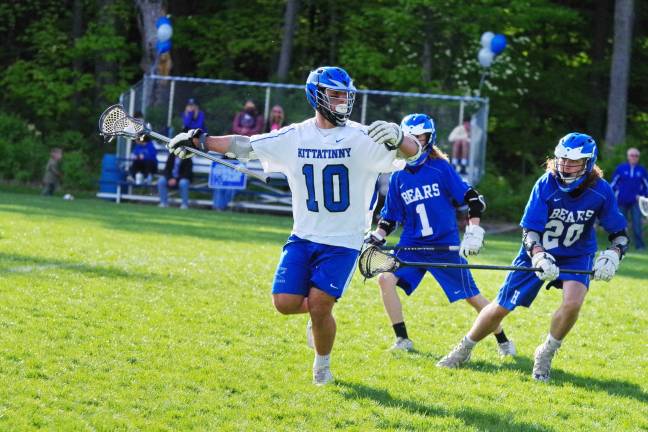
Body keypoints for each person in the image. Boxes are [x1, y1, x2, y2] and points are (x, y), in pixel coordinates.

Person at [166, 66, 421, 385]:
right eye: (336, 94)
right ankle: (318, 318)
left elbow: (413, 155)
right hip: (302, 236)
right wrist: (200, 140)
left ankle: (322, 366)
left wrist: (401, 136)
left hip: (344, 241)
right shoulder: (295, 136)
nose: (344, 101)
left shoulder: (361, 137)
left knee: (318, 304)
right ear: (317, 95)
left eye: (347, 95)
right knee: (284, 304)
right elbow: (243, 145)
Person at [437, 133, 628, 382]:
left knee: (573, 303)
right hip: (536, 252)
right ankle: (464, 348)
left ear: (588, 163)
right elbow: (530, 232)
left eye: (574, 162)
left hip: (576, 254)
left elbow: (620, 234)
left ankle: (546, 353)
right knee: (500, 307)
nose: (566, 166)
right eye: (562, 160)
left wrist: (613, 255)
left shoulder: (601, 191)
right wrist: (538, 257)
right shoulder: (546, 184)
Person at [365, 113, 515, 356]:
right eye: (410, 136)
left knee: (472, 297)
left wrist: (473, 230)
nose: (415, 140)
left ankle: (503, 340)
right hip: (412, 246)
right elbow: (390, 217)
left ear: (429, 138)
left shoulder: (440, 168)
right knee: (385, 279)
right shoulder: (397, 176)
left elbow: (473, 200)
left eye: (420, 136)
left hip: (443, 245)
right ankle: (402, 339)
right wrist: (378, 235)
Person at [610, 148, 648, 250]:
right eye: (632, 155)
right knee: (621, 225)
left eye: (636, 156)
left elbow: (646, 186)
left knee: (637, 225)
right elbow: (612, 184)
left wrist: (642, 196)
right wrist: (614, 195)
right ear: (628, 156)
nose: (634, 157)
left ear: (638, 158)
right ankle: (621, 246)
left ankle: (640, 246)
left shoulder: (642, 170)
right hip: (621, 201)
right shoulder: (620, 168)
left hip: (636, 202)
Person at [128, 113, 158, 185]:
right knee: (136, 162)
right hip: (141, 166)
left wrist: (143, 156)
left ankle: (147, 178)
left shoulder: (150, 145)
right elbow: (134, 155)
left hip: (151, 165)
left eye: (137, 140)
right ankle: (133, 177)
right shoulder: (137, 147)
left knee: (147, 162)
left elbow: (152, 156)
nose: (136, 141)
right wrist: (138, 157)